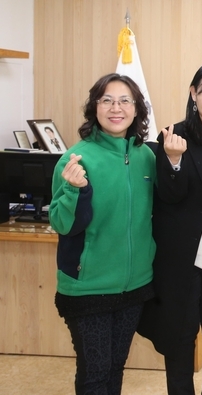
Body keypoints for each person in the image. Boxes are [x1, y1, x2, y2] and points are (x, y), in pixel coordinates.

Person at [136, 60, 202, 395]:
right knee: (180, 340)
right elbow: (169, 197)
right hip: (181, 262)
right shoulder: (174, 136)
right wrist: (173, 160)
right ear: (194, 94)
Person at [49, 73, 155, 394]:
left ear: (137, 109)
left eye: (124, 101)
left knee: (114, 368)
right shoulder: (76, 159)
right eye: (107, 100)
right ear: (94, 107)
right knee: (95, 372)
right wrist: (74, 189)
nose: (115, 108)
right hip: (88, 287)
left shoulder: (147, 157)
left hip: (134, 285)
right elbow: (62, 224)